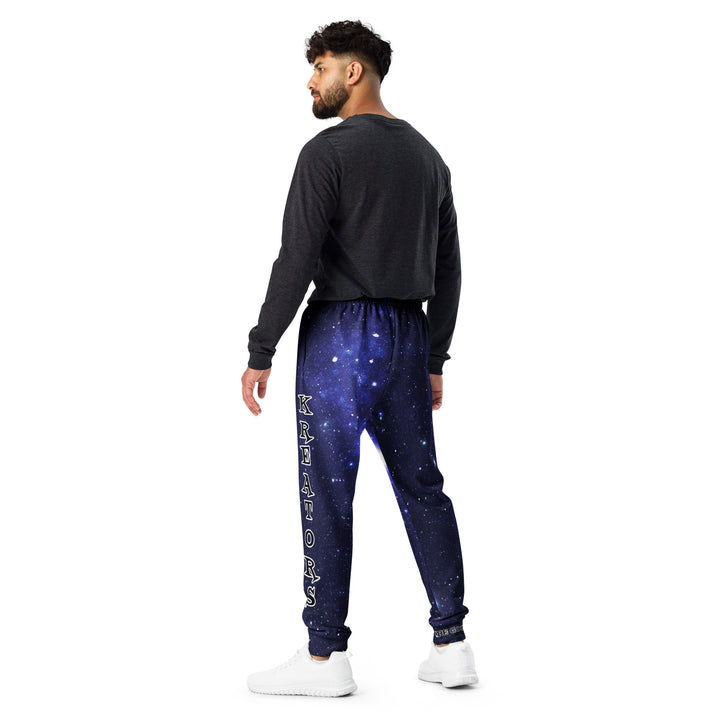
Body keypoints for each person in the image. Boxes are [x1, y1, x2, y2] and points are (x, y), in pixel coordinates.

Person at [242, 20, 478, 696]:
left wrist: (262, 345)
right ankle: (452, 644)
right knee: (422, 487)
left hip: (340, 338)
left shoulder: (327, 152)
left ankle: (325, 657)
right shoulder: (429, 158)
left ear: (354, 71)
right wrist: (434, 357)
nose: (310, 81)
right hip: (409, 333)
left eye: (320, 67)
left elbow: (297, 257)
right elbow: (449, 268)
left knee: (326, 491)